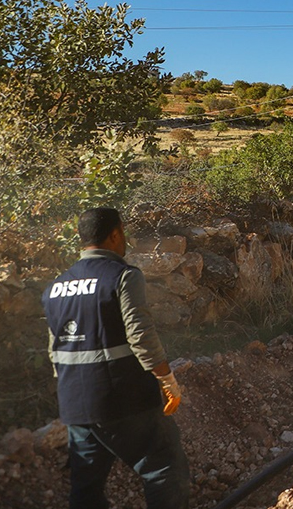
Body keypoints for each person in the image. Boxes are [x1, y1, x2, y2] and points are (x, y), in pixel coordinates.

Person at [42, 207, 189, 509]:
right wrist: (167, 379)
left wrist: (77, 390)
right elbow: (141, 337)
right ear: (115, 234)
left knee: (86, 489)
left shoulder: (54, 287)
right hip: (123, 398)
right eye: (123, 233)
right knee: (163, 467)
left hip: (76, 404)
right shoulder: (123, 277)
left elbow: (55, 351)